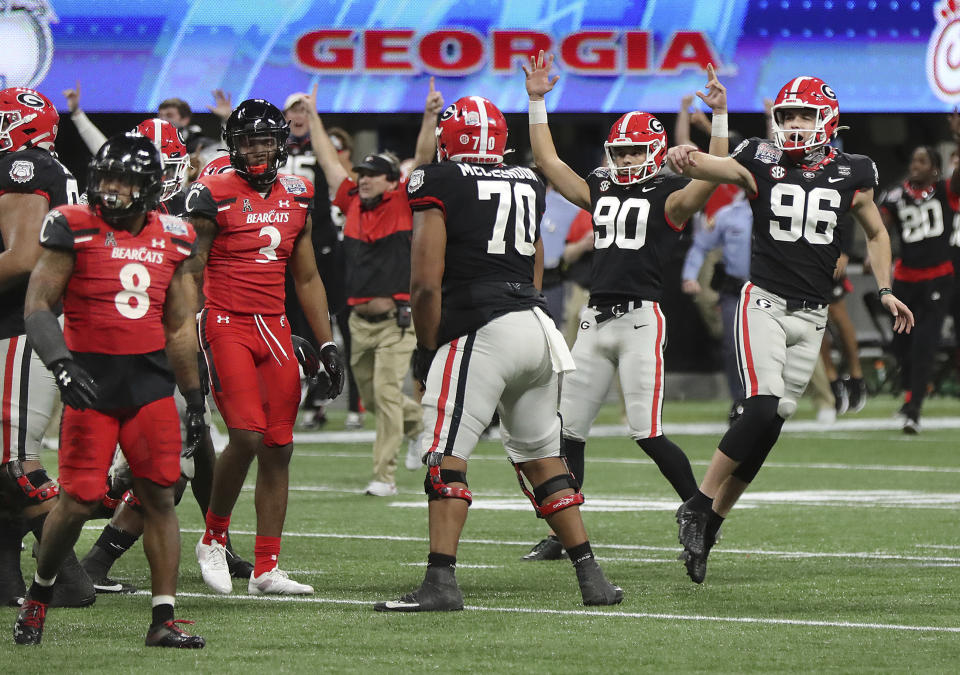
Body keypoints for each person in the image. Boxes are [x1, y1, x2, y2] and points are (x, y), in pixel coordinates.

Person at [374, 93, 622, 612]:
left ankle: (440, 582)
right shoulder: (528, 180)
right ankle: (591, 576)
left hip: (480, 329)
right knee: (542, 457)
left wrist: (426, 347)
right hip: (536, 327)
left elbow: (424, 284)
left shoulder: (435, 179)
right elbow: (536, 255)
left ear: (450, 138)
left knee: (445, 458)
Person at [667, 75, 914, 584]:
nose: (794, 124)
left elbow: (876, 231)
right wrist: (686, 156)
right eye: (787, 116)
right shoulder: (760, 157)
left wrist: (886, 288)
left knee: (770, 425)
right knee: (758, 407)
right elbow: (716, 165)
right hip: (764, 304)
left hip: (813, 315)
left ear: (826, 120)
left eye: (803, 115)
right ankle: (696, 504)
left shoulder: (853, 170)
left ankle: (711, 524)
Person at [519, 53, 727, 560]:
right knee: (568, 431)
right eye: (621, 152)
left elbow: (714, 177)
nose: (627, 160)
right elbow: (549, 164)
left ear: (654, 151)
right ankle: (562, 531)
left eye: (636, 151)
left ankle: (699, 517)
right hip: (593, 319)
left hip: (640, 321)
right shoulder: (603, 186)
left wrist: (719, 119)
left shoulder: (671, 193)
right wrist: (536, 101)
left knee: (646, 432)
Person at [13, 132, 205, 647]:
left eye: (125, 180)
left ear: (148, 186)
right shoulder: (71, 226)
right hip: (91, 386)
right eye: (108, 178)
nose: (113, 189)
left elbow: (181, 327)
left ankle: (163, 618)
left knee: (158, 497)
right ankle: (40, 594)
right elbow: (38, 307)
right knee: (77, 500)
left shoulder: (177, 235)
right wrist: (62, 365)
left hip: (149, 387)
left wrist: (194, 396)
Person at [78, 118, 253, 593]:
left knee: (202, 451)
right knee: (164, 473)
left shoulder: (168, 215)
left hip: (158, 347)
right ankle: (91, 561)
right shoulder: (126, 221)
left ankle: (218, 540)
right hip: (135, 352)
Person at [186, 98, 344, 596]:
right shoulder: (210, 192)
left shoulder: (299, 192)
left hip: (274, 328)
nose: (258, 150)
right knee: (248, 433)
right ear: (233, 146)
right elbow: (190, 273)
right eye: (249, 141)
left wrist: (327, 343)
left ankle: (266, 567)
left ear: (281, 144)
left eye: (266, 141)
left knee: (279, 446)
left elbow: (308, 275)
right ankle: (212, 539)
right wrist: (188, 332)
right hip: (225, 321)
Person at [306, 81, 440, 496]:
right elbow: (330, 166)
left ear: (390, 180)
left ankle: (384, 476)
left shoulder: (402, 201)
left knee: (384, 394)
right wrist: (313, 116)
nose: (361, 180)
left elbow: (421, 158)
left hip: (396, 320)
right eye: (360, 174)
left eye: (370, 176)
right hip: (357, 320)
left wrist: (430, 116)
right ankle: (421, 426)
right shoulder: (350, 201)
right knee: (369, 393)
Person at [0, 86, 95, 610]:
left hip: (21, 327)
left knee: (15, 465)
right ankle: (9, 580)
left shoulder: (24, 164)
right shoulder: (45, 167)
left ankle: (70, 577)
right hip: (32, 327)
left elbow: (20, 258)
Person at [878, 145, 958, 433]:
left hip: (937, 278)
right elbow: (879, 228)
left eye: (922, 161)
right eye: (913, 160)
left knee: (925, 344)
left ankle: (914, 410)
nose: (915, 165)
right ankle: (910, 394)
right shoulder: (895, 194)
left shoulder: (946, 189)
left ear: (934, 168)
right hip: (905, 280)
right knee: (901, 344)